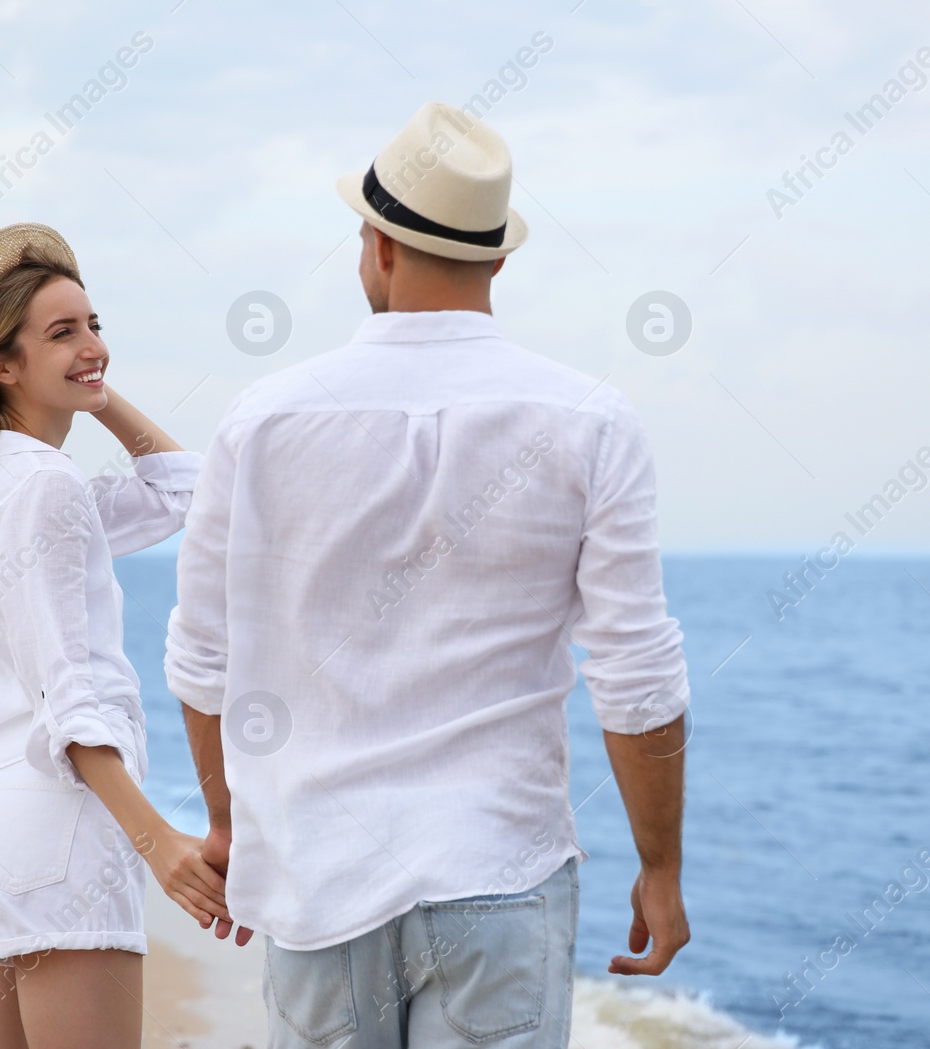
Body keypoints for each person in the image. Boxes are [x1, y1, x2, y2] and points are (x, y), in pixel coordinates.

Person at [166, 103, 691, 1048]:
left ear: (377, 247)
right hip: (499, 863)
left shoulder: (266, 419)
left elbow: (203, 658)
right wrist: (661, 865)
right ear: (497, 259)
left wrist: (226, 822)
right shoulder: (590, 420)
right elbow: (638, 678)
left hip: (320, 868)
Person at [0, 223, 231, 1047]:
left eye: (95, 325)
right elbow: (68, 695)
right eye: (63, 331)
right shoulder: (45, 489)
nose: (94, 345)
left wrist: (84, 380)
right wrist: (158, 841)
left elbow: (184, 494)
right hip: (54, 829)